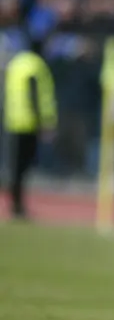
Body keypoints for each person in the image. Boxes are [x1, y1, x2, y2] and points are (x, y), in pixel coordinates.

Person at [3, 38, 57, 219]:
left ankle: (15, 203)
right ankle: (17, 205)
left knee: (16, 166)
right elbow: (34, 94)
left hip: (13, 121)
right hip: (28, 124)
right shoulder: (35, 66)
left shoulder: (16, 64)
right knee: (23, 167)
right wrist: (43, 122)